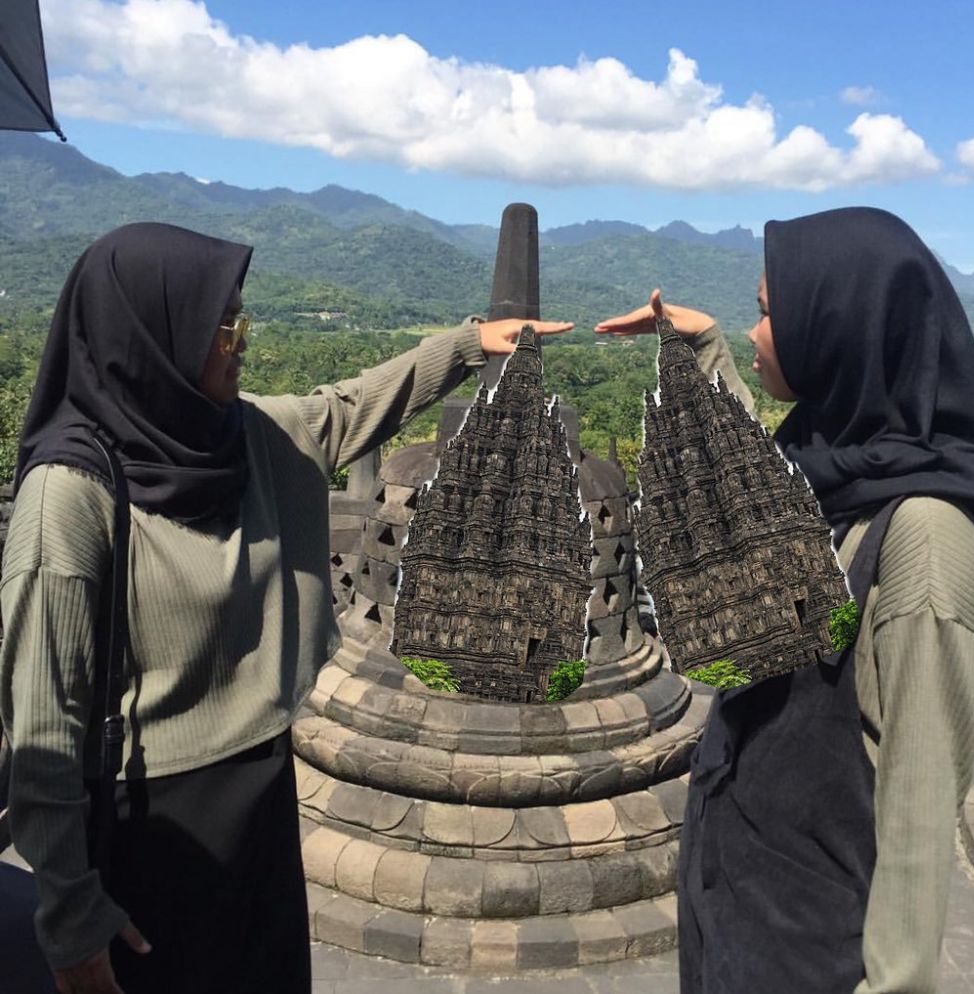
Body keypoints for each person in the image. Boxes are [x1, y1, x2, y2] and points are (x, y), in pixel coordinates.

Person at [0, 221, 572, 994]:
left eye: (242, 317)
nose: (240, 339)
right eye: (221, 323)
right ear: (151, 338)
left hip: (261, 790)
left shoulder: (243, 437)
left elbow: (350, 407)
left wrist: (472, 343)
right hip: (150, 820)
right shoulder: (71, 497)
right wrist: (71, 918)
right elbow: (40, 726)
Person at [596, 206, 974, 994]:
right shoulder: (841, 464)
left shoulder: (926, 536)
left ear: (837, 327)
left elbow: (919, 808)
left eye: (767, 313)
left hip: (816, 949)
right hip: (744, 910)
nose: (756, 333)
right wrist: (702, 348)